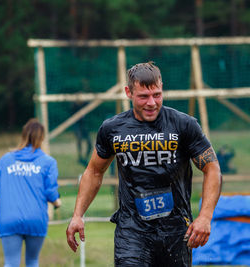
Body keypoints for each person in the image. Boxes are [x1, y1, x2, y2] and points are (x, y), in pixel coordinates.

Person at [66, 62, 222, 266]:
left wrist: (205, 217)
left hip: (176, 229)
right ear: (128, 93)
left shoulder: (184, 125)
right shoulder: (112, 129)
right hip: (132, 230)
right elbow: (94, 171)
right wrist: (78, 215)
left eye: (157, 94)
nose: (151, 103)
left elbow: (212, 168)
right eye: (143, 96)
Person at [0, 118, 61, 267]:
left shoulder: (5, 160)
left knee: (10, 263)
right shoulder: (48, 162)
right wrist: (57, 202)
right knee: (32, 261)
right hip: (36, 218)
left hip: (9, 218)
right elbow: (50, 192)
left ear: (23, 135)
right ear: (41, 137)